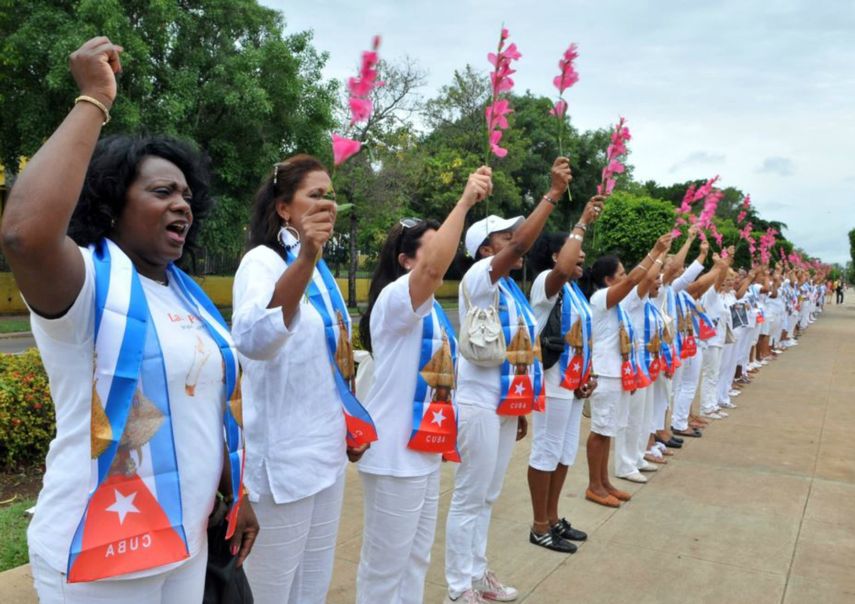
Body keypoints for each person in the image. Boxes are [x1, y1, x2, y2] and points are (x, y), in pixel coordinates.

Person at [0, 37, 257, 602]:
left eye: (188, 195)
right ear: (114, 203)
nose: (183, 205)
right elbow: (25, 234)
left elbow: (200, 409)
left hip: (184, 543)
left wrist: (236, 493)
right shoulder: (87, 286)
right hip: (100, 555)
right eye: (162, 191)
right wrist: (94, 98)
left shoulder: (187, 297)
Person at [232, 155, 373, 603]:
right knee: (271, 589)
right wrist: (308, 254)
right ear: (283, 209)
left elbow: (331, 361)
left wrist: (347, 423)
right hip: (284, 461)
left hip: (326, 453)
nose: (327, 204)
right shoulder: (263, 261)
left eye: (329, 195)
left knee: (311, 585)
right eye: (314, 195)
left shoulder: (322, 274)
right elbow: (255, 340)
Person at [354, 167, 492, 603]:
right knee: (384, 567)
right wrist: (466, 202)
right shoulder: (397, 299)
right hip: (394, 457)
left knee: (415, 561)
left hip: (421, 453)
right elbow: (432, 272)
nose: (444, 254)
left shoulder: (429, 309)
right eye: (432, 247)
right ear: (405, 260)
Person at [444, 157, 571, 604]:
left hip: (500, 406)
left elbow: (520, 357)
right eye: (504, 236)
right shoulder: (481, 277)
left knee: (488, 494)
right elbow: (519, 246)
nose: (517, 242)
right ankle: (459, 589)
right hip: (477, 403)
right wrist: (552, 195)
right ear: (485, 249)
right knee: (469, 495)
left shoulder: (512, 293)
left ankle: (478, 575)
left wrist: (517, 411)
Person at [525, 195, 604, 553]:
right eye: (575, 253)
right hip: (552, 384)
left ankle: (554, 518)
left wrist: (589, 376)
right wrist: (582, 222)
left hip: (572, 386)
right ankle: (539, 524)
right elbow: (560, 271)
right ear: (557, 256)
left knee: (563, 453)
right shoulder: (547, 283)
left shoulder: (575, 292)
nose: (582, 258)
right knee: (545, 451)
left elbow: (582, 341)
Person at [579, 232, 673, 507]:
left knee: (609, 431)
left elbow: (638, 280)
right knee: (600, 431)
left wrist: (658, 255)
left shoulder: (619, 306)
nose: (625, 277)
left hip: (619, 376)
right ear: (609, 280)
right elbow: (636, 279)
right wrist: (655, 251)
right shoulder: (601, 299)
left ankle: (604, 482)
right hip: (605, 375)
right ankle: (593, 486)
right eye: (619, 274)